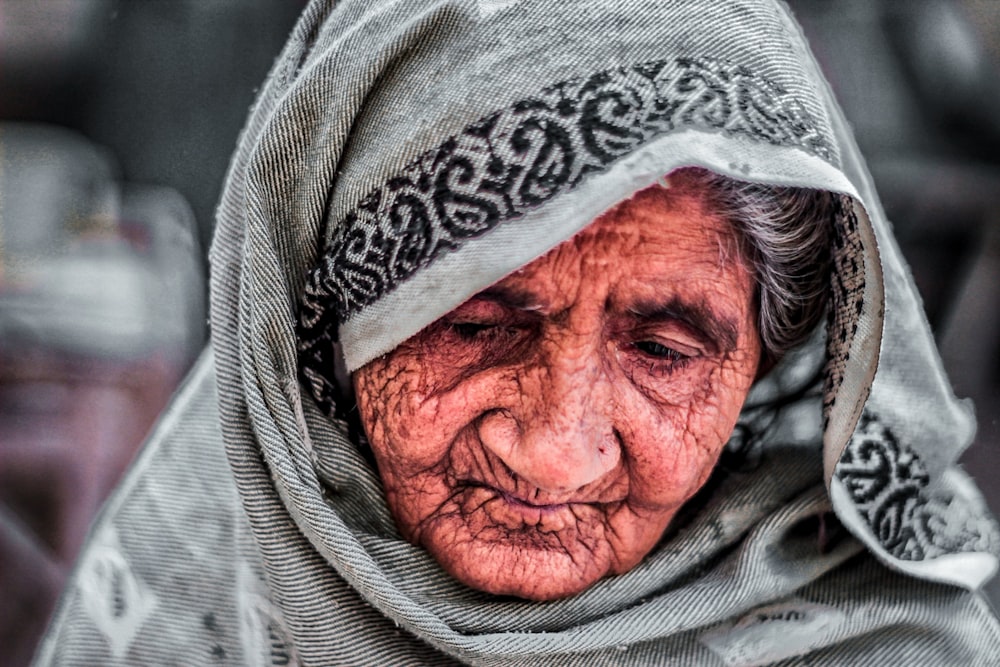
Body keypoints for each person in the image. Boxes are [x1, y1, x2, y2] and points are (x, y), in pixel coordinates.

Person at [34, 0, 1000, 664]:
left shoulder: (877, 643)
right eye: (475, 324)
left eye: (663, 352)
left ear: (761, 363)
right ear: (324, 325)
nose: (555, 450)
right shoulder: (201, 553)